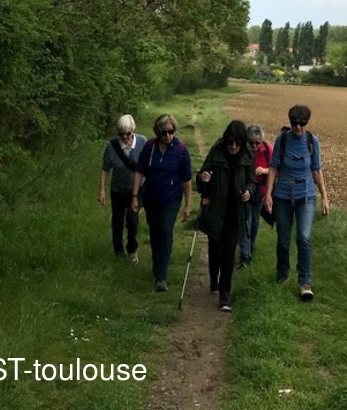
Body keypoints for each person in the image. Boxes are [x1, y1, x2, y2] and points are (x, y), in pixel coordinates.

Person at [264, 104, 329, 301]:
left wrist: (324, 197)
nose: (298, 128)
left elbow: (316, 170)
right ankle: (282, 275)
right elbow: (273, 168)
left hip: (306, 195)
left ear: (307, 123)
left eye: (302, 124)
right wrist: (268, 194)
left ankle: (304, 282)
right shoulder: (282, 139)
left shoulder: (312, 141)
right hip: (283, 196)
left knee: (304, 237)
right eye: (294, 124)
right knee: (283, 239)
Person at [196, 120, 256, 311]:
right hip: (216, 208)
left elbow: (252, 181)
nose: (233, 147)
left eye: (237, 143)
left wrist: (249, 192)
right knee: (215, 248)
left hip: (235, 211)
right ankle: (213, 279)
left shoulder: (247, 155)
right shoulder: (217, 151)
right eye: (230, 142)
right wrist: (203, 177)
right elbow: (201, 177)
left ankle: (225, 294)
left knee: (229, 252)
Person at [131, 113, 192, 292]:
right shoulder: (150, 147)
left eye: (171, 131)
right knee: (155, 232)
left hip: (171, 198)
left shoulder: (181, 150)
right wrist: (134, 196)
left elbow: (187, 179)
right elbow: (139, 172)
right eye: (164, 132)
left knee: (165, 231)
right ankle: (157, 264)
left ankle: (161, 276)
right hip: (151, 197)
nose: (168, 136)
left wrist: (188, 205)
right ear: (158, 132)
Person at [99, 114, 146, 263]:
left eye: (128, 133)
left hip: (136, 191)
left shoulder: (142, 142)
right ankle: (118, 253)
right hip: (118, 190)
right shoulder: (111, 147)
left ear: (133, 130)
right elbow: (105, 169)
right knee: (117, 222)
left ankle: (132, 249)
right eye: (121, 134)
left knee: (132, 220)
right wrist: (102, 190)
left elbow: (148, 165)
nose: (125, 137)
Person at [238, 123, 273, 269]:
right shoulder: (241, 151)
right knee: (246, 222)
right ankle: (245, 255)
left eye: (257, 143)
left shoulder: (267, 150)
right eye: (251, 142)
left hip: (260, 192)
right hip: (245, 191)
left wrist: (264, 171)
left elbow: (275, 170)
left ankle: (251, 245)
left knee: (255, 222)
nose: (254, 146)